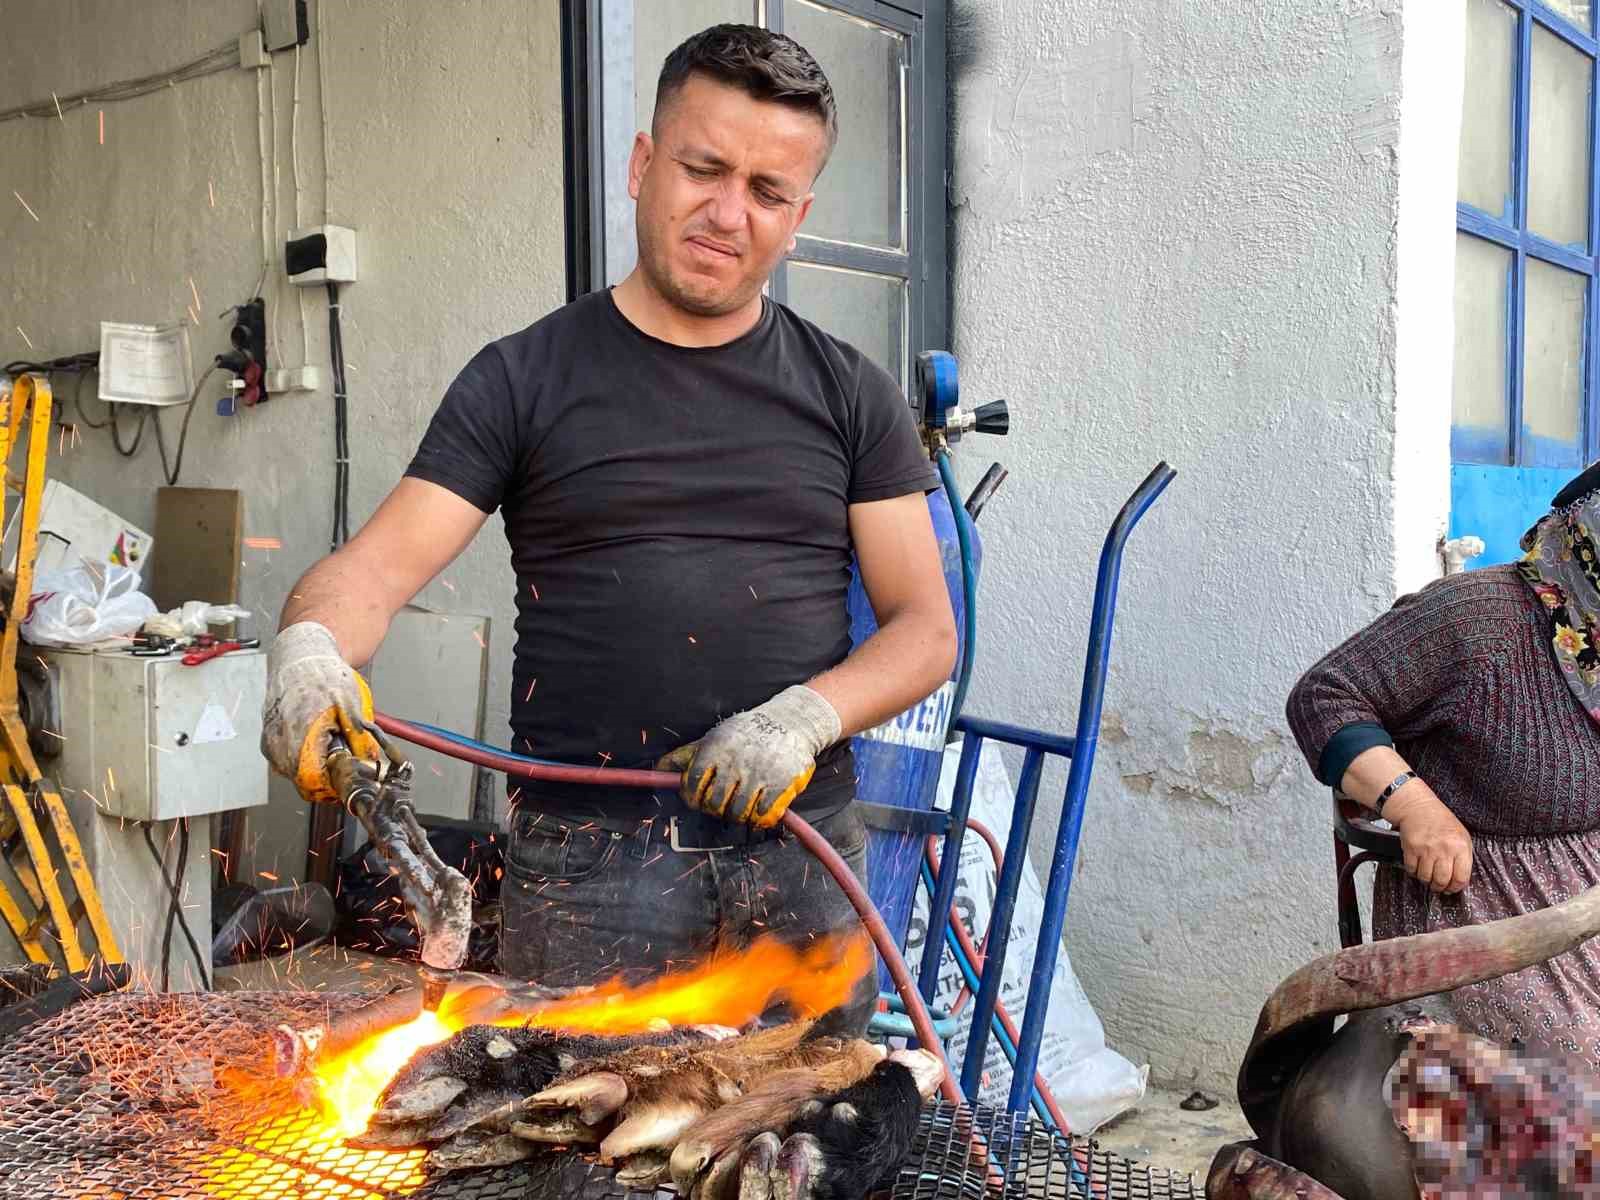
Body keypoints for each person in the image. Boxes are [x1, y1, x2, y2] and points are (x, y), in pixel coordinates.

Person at [258, 24, 956, 1036]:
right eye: (702, 169)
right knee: (577, 1159)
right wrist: (312, 647)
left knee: (802, 1148)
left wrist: (798, 720)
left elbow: (924, 629)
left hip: (800, 855)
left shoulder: (852, 391)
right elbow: (371, 571)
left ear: (798, 216)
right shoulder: (522, 377)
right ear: (641, 165)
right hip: (589, 872)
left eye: (766, 192)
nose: (727, 214)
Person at [1286, 460, 1600, 1069]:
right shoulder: (1475, 619)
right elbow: (1324, 695)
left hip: (1585, 900)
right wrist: (1413, 805)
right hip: (1480, 909)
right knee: (1580, 1075)